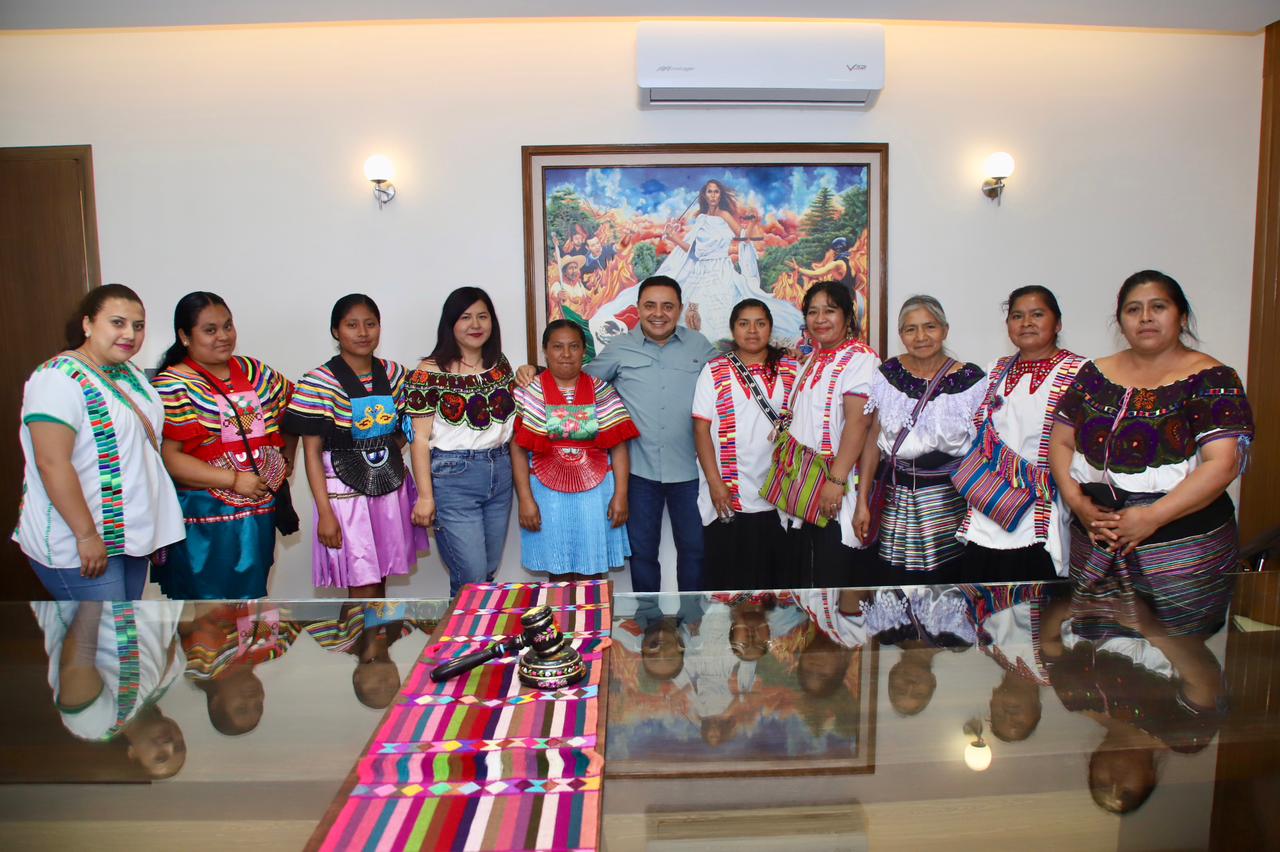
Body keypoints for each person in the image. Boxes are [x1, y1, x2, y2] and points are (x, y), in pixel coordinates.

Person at [1049, 271, 1252, 632]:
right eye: (1133, 309)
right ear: (1121, 321)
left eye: (1158, 307)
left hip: (1182, 548)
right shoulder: (1094, 374)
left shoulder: (1212, 379)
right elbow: (1061, 442)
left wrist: (1153, 516)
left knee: (1183, 659)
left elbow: (1223, 464)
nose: (1145, 317)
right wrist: (1076, 501)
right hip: (1096, 540)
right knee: (1096, 665)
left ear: (1182, 316)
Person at [15, 284, 184, 600]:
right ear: (87, 324)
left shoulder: (129, 374)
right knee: (108, 643)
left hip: (129, 537)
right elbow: (52, 463)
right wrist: (86, 535)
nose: (130, 334)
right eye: (117, 322)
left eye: (138, 326)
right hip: (81, 542)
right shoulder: (57, 377)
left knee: (119, 638)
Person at [151, 292, 296, 599]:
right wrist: (233, 479)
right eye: (210, 329)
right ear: (184, 336)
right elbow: (172, 460)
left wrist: (286, 458)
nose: (223, 336)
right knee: (207, 619)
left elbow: (298, 411)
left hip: (258, 518)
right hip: (204, 522)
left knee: (252, 610)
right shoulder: (172, 385)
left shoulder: (256, 373)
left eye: (228, 326)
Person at [284, 294, 428, 597]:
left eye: (370, 324)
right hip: (344, 496)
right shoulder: (317, 382)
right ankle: (364, 642)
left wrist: (385, 451)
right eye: (352, 325)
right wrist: (325, 512)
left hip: (389, 489)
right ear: (336, 331)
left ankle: (375, 642)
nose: (363, 333)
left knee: (381, 577)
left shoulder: (395, 374)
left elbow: (405, 428)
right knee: (362, 581)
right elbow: (311, 452)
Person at [583, 276, 717, 592]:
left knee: (695, 552)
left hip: (690, 472)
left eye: (668, 306)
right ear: (639, 308)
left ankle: (691, 624)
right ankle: (650, 627)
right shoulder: (619, 348)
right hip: (638, 472)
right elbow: (579, 384)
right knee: (642, 555)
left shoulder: (699, 346)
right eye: (650, 306)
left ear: (680, 309)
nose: (659, 313)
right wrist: (533, 373)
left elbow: (730, 385)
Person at [956, 286, 1087, 582]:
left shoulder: (1078, 371)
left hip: (1043, 507)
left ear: (1058, 323)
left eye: (1037, 314)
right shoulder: (996, 369)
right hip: (989, 504)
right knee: (985, 606)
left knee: (1035, 607)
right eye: (1017, 316)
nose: (1026, 322)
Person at [854, 296, 985, 581]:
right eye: (910, 329)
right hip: (894, 500)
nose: (921, 337)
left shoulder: (971, 381)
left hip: (950, 502)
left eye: (930, 327)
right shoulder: (887, 375)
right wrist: (862, 501)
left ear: (945, 330)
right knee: (893, 584)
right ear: (901, 335)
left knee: (949, 586)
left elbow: (983, 450)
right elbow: (872, 442)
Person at [405, 287, 517, 596]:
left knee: (488, 570)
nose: (475, 324)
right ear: (450, 323)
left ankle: (477, 639)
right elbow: (419, 439)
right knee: (472, 577)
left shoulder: (500, 365)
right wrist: (426, 497)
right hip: (453, 476)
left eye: (482, 316)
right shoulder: (428, 372)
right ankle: (463, 643)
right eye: (465, 317)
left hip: (500, 471)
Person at [512, 320, 638, 579]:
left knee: (592, 571)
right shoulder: (529, 392)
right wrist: (525, 499)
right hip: (545, 495)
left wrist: (621, 495)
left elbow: (619, 447)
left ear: (584, 351)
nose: (566, 354)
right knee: (556, 569)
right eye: (558, 347)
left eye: (574, 347)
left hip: (596, 493)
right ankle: (559, 620)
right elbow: (518, 449)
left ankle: (592, 621)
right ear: (545, 351)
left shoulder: (602, 391)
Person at [692, 299, 800, 590]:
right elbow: (701, 429)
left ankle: (773, 636)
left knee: (776, 581)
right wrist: (715, 483)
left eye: (760, 323)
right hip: (728, 492)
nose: (752, 331)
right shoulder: (713, 371)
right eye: (744, 324)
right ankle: (733, 636)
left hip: (779, 492)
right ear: (732, 329)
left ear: (770, 329)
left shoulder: (792, 369)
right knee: (729, 578)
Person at [781, 281, 880, 588]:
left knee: (833, 580)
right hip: (804, 487)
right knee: (805, 581)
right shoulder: (814, 358)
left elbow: (858, 424)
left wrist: (835, 481)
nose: (820, 318)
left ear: (848, 317)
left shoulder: (860, 358)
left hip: (837, 488)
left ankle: (833, 638)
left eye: (830, 310)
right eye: (813, 312)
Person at [33, 600, 187, 778]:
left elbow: (76, 663)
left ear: (132, 754)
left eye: (160, 757)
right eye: (179, 746)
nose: (169, 745)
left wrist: (99, 589)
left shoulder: (96, 725)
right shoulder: (171, 676)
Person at [657, 179, 804, 345]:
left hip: (721, 270)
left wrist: (752, 224)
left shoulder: (725, 215)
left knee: (721, 314)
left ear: (720, 195)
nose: (713, 195)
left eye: (716, 191)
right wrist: (673, 237)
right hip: (700, 273)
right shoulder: (700, 219)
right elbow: (693, 251)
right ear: (704, 195)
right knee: (695, 316)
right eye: (709, 191)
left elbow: (741, 237)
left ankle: (724, 349)